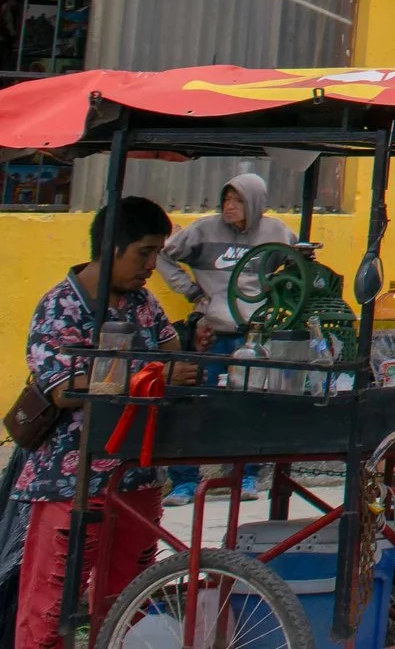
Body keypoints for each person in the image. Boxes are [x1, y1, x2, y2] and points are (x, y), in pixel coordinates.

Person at [19, 199, 195, 649]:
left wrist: (184, 351)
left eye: (158, 253)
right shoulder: (60, 308)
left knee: (128, 603)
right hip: (70, 480)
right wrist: (148, 373)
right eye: (144, 252)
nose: (152, 265)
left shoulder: (144, 303)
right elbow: (63, 388)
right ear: (112, 248)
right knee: (51, 607)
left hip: (137, 474)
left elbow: (172, 350)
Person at [155, 171, 292, 504]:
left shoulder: (276, 233)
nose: (229, 206)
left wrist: (276, 295)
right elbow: (162, 254)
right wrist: (190, 291)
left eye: (238, 200)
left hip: (255, 338)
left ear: (255, 203)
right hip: (211, 335)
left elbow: (299, 265)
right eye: (226, 199)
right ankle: (185, 481)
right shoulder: (203, 230)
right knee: (193, 408)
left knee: (250, 408)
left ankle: (245, 477)